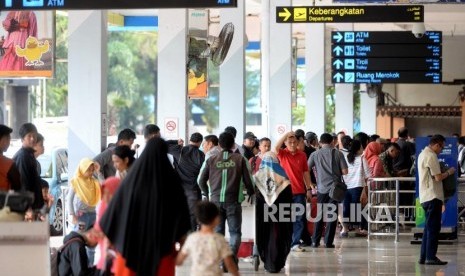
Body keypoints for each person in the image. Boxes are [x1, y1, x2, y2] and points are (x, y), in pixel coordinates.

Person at [100, 138, 191, 276]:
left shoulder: (129, 184)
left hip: (128, 252)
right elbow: (182, 219)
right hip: (162, 253)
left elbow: (112, 217)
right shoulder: (172, 184)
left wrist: (109, 245)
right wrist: (180, 250)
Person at [198, 131, 255, 264]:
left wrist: (207, 193)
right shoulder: (240, 159)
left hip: (215, 202)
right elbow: (249, 181)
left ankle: (221, 258)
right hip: (233, 201)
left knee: (218, 233)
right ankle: (229, 257)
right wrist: (252, 192)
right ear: (233, 143)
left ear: (219, 144)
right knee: (235, 232)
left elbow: (201, 181)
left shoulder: (211, 159)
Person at [418, 134, 455, 265]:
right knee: (433, 228)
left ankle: (423, 257)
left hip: (425, 196)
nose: (441, 150)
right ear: (436, 144)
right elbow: (438, 177)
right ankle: (430, 257)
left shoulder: (422, 154)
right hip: (433, 196)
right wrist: (450, 172)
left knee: (428, 229)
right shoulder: (431, 156)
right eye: (441, 147)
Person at [253, 152, 293, 273]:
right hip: (281, 213)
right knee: (281, 235)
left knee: (264, 235)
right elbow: (289, 197)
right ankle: (277, 262)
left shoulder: (257, 177)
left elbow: (255, 195)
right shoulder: (283, 176)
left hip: (263, 213)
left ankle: (268, 262)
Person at [176, 201, 239, 276]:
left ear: (198, 220)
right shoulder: (219, 239)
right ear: (217, 219)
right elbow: (229, 264)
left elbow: (178, 261)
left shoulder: (192, 238)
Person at [307, 133, 348, 248]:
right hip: (335, 189)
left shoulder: (315, 154)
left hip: (321, 189)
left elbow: (306, 169)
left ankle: (315, 241)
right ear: (332, 142)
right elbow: (345, 172)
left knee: (319, 214)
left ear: (320, 142)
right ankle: (328, 242)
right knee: (332, 215)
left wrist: (310, 184)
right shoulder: (338, 153)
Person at [275, 131, 313, 252]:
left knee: (300, 218)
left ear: (297, 143)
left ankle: (295, 243)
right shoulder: (282, 153)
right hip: (284, 191)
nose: (292, 144)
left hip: (299, 192)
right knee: (284, 218)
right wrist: (286, 134)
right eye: (289, 142)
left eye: (294, 142)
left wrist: (308, 189)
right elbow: (275, 147)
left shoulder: (302, 155)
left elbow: (305, 172)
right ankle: (285, 241)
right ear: (285, 143)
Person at [340, 139, 371, 236]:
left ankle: (345, 229)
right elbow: (367, 176)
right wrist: (366, 189)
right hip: (357, 186)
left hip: (345, 186)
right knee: (355, 208)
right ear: (357, 149)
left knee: (346, 208)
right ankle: (357, 229)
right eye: (361, 147)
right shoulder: (362, 159)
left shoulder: (345, 158)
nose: (363, 149)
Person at [177, 132, 205, 231]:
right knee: (194, 214)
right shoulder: (201, 154)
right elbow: (203, 173)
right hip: (194, 188)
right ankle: (193, 234)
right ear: (200, 142)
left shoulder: (180, 151)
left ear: (190, 139)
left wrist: (177, 143)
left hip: (180, 188)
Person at [13, 123, 44, 209]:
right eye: (29, 136)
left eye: (34, 135)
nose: (33, 139)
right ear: (22, 139)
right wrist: (28, 208)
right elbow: (23, 184)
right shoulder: (23, 156)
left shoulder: (29, 154)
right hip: (26, 208)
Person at [94, 177, 121, 274]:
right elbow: (97, 230)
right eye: (104, 193)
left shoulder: (125, 208)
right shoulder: (103, 206)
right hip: (104, 260)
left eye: (110, 193)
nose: (106, 197)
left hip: (119, 263)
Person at [0, 124, 20, 191]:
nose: (9, 143)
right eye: (8, 139)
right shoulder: (8, 164)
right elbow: (17, 189)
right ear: (2, 141)